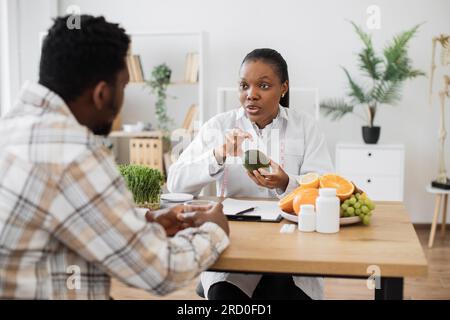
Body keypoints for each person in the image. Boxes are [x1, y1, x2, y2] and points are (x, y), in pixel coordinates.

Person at [0, 15, 229, 299]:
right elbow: (162, 270)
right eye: (123, 86)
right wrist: (214, 229)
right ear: (101, 93)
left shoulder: (12, 125)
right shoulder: (75, 153)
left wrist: (146, 219)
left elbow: (68, 211)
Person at [168, 48, 334, 300]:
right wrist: (219, 154)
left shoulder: (305, 127)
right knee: (225, 293)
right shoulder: (219, 126)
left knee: (285, 292)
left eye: (264, 86)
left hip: (291, 243)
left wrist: (286, 182)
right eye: (244, 86)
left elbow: (324, 189)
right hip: (234, 242)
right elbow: (176, 183)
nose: (251, 94)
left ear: (283, 88)